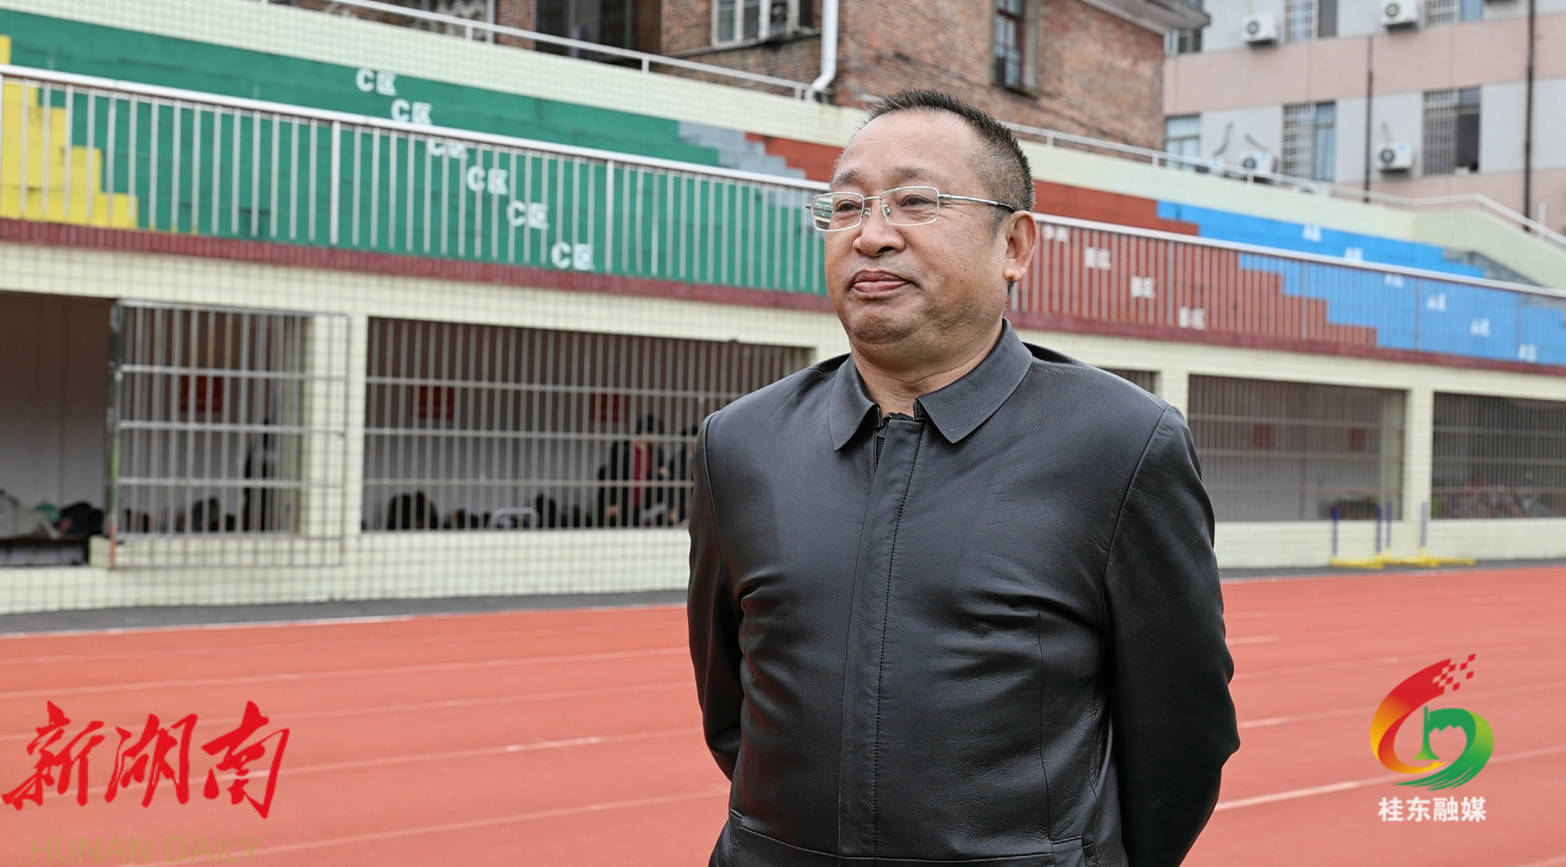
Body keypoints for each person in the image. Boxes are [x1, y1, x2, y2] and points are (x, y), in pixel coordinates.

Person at [687, 90, 1238, 867]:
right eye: (845, 207)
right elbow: (732, 709)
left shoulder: (1121, 443)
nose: (871, 235)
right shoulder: (740, 444)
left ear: (1015, 243)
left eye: (916, 201)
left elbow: (1183, 737)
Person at [596, 414, 667, 527]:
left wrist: (662, 474)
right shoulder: (622, 448)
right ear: (644, 432)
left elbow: (660, 476)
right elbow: (613, 474)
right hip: (622, 500)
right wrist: (612, 502)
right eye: (655, 434)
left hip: (643, 502)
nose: (656, 438)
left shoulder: (656, 452)